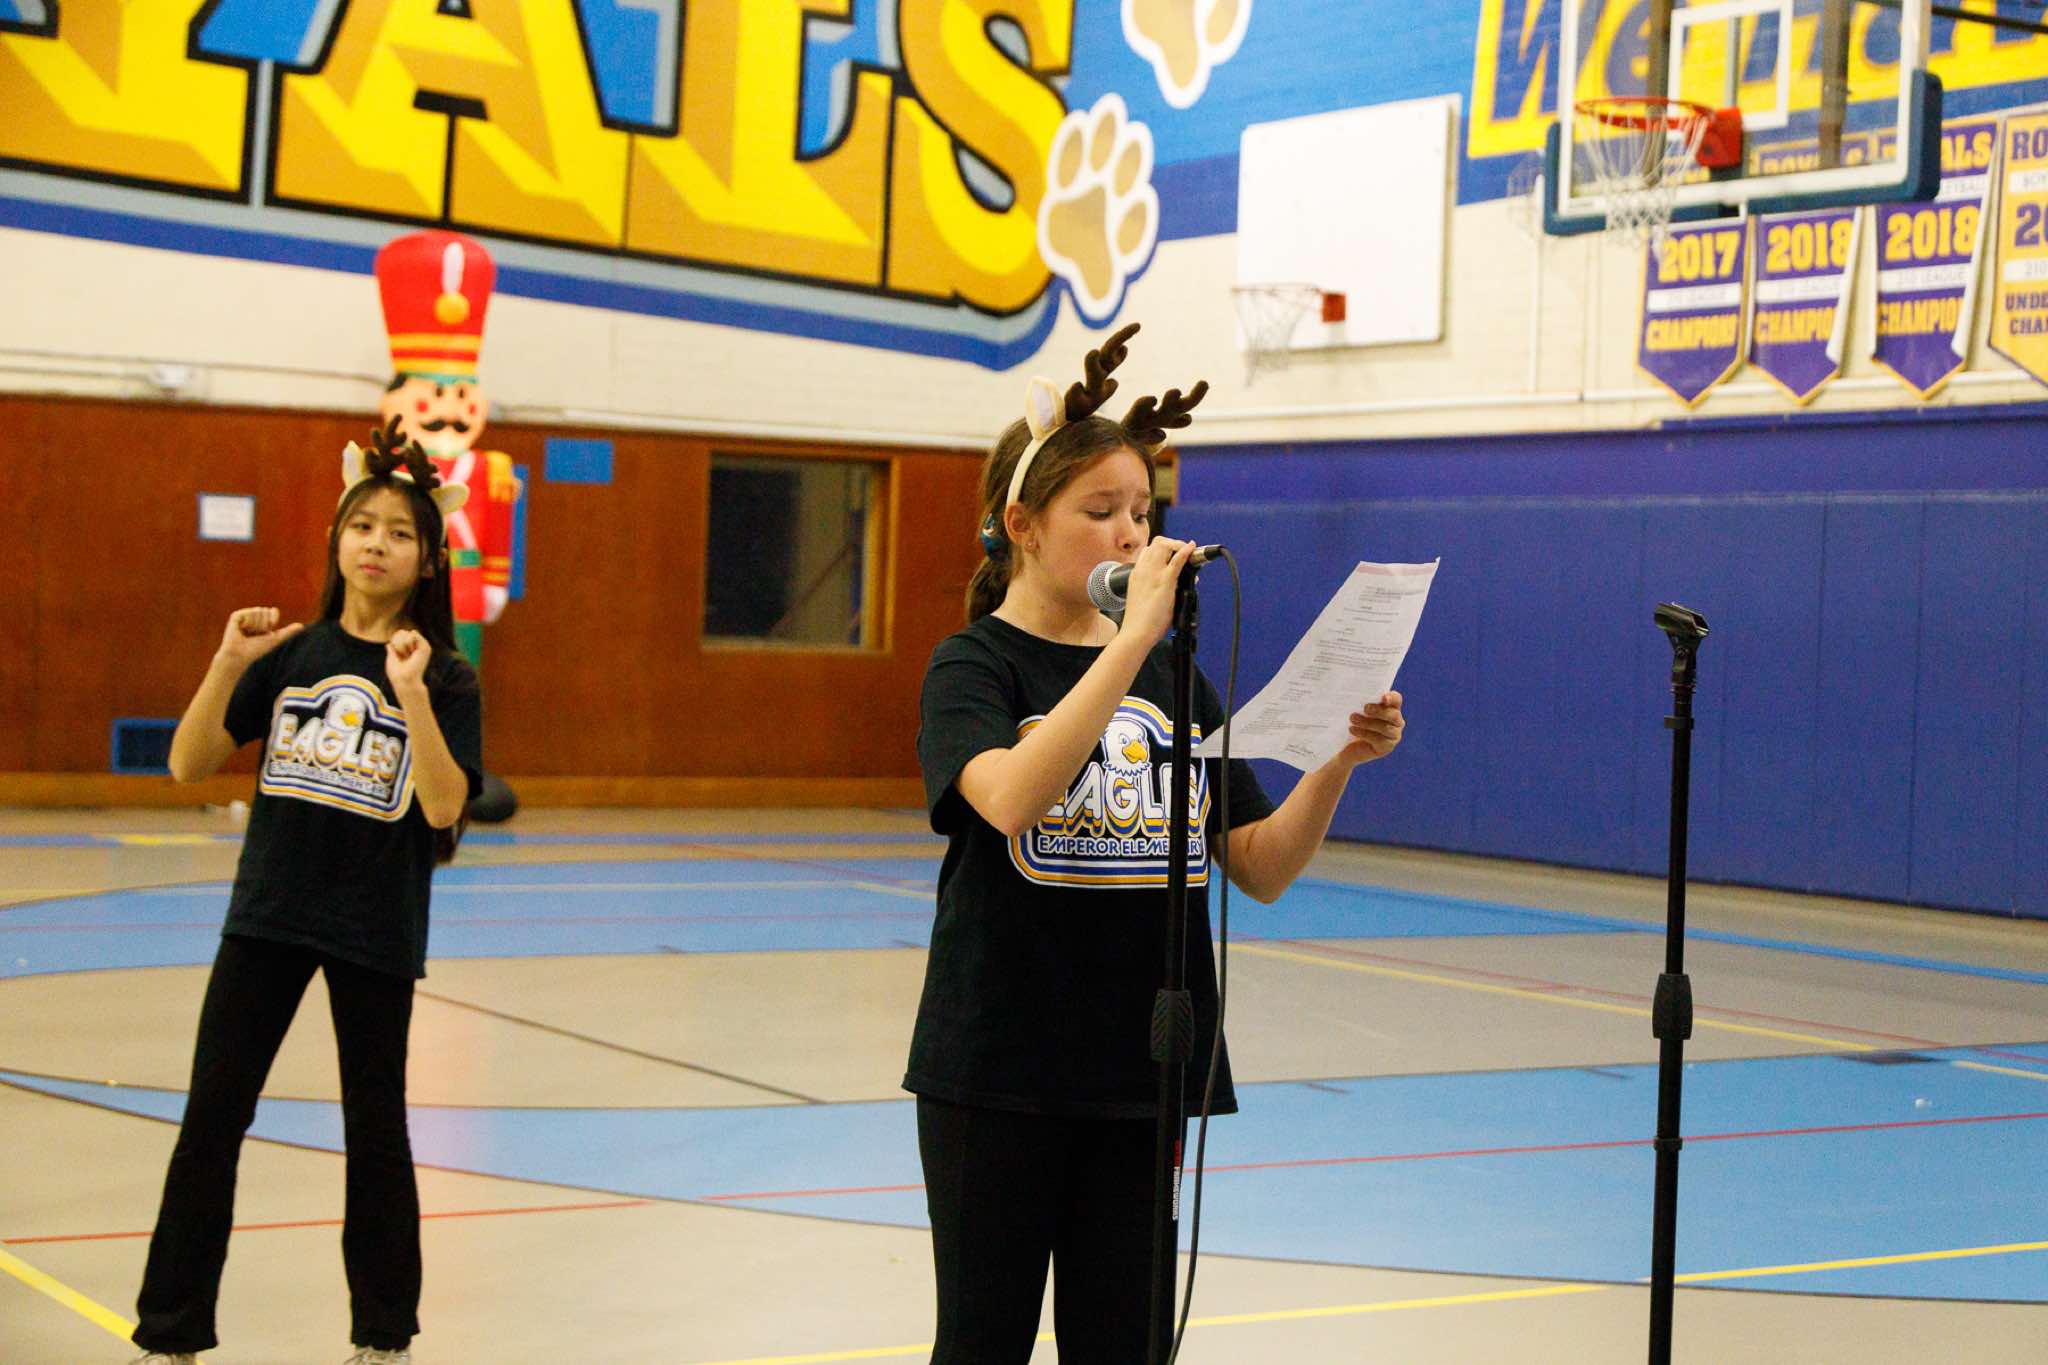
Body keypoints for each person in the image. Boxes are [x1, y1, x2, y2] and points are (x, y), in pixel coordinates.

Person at [908, 322, 1408, 1362]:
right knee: (982, 1342)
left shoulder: (1176, 678)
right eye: (1099, 513)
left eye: (1141, 512)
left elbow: (1259, 866)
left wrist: (1336, 759)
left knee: (1126, 1344)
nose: (1131, 537)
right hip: (998, 1069)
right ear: (1021, 525)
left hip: (1142, 1069)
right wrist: (1133, 637)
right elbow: (1010, 799)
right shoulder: (973, 667)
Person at [130, 418, 484, 1365]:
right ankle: (169, 1336)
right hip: (268, 917)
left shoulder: (447, 676)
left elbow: (445, 807)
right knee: (212, 1119)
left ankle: (382, 1338)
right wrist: (227, 662)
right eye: (362, 525)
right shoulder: (290, 656)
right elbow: (187, 763)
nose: (376, 543)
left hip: (375, 926)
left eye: (400, 532)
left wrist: (411, 695)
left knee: (376, 1133)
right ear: (336, 538)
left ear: (427, 560)